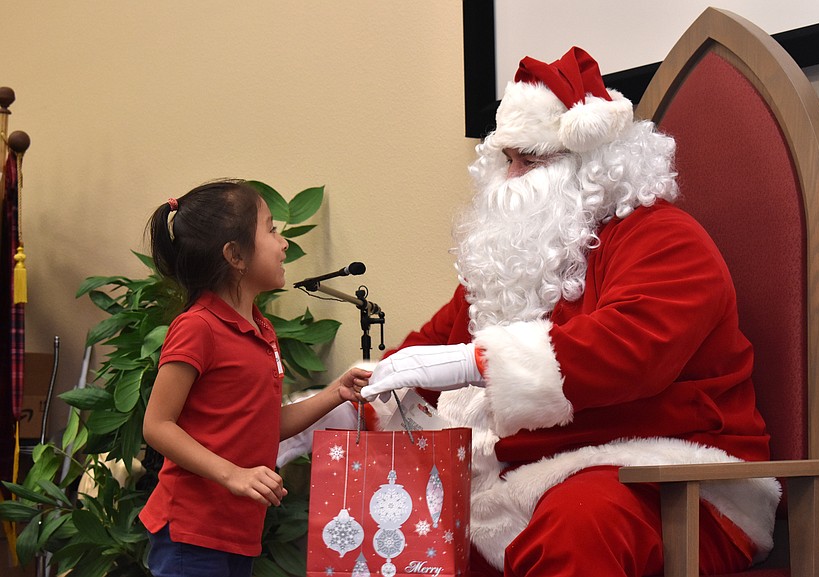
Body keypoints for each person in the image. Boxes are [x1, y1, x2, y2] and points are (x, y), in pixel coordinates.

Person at [361, 47, 781, 577]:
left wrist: (477, 364)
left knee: (579, 525)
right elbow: (429, 345)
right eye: (506, 159)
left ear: (594, 166)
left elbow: (631, 348)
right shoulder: (516, 257)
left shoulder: (666, 238)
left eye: (529, 161)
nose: (511, 178)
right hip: (524, 475)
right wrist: (358, 396)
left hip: (668, 476)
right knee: (404, 531)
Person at [138, 179, 372, 577]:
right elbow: (157, 426)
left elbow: (264, 427)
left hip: (239, 532)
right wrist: (233, 475)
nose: (283, 244)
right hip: (192, 534)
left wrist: (337, 392)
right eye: (271, 229)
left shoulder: (261, 330)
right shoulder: (197, 327)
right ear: (235, 255)